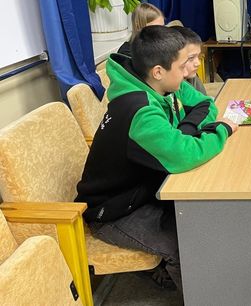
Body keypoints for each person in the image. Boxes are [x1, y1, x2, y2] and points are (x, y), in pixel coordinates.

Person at [75, 25, 238, 291]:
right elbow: (184, 154)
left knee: (204, 220)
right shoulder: (141, 112)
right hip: (114, 212)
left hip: (143, 190)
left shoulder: (155, 86)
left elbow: (200, 107)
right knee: (186, 247)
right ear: (159, 71)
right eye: (182, 66)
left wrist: (186, 133)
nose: (187, 72)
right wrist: (222, 130)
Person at [172, 26, 208, 96]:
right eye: (191, 58)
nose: (198, 63)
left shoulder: (192, 77)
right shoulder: (169, 86)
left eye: (198, 56)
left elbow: (202, 99)